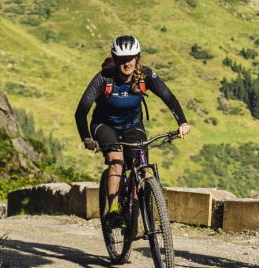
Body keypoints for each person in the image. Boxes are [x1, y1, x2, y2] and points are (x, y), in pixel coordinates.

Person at [75, 34, 191, 222]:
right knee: (117, 161)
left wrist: (182, 123)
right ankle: (113, 211)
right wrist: (86, 138)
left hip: (132, 125)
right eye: (121, 59)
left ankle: (136, 211)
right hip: (104, 125)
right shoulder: (104, 79)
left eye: (130, 58)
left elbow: (169, 97)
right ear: (115, 59)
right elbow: (81, 111)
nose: (126, 63)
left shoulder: (145, 75)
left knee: (141, 166)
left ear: (137, 57)